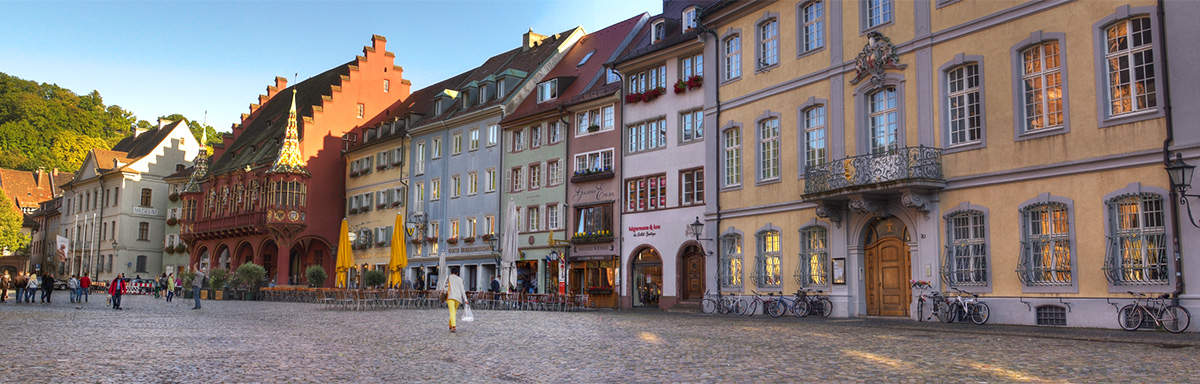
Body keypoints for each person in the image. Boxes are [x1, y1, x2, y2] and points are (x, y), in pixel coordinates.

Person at [443, 267, 467, 333]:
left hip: (450, 296)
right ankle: (450, 325)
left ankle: (453, 326)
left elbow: (444, 286)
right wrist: (465, 299)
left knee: (452, 312)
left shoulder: (448, 277)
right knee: (454, 311)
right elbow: (462, 290)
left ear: (451, 272)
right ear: (457, 273)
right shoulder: (460, 279)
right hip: (458, 298)